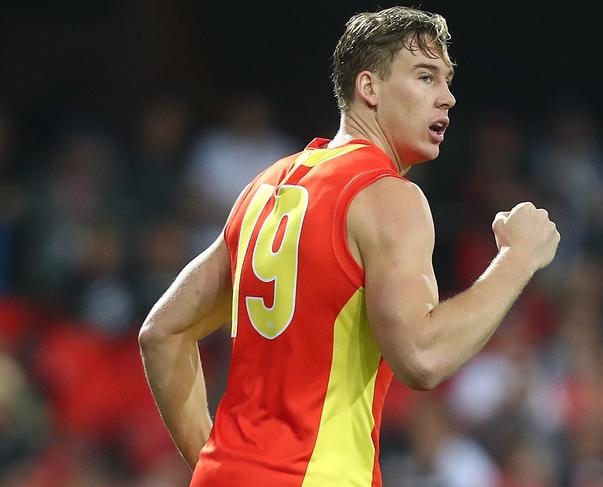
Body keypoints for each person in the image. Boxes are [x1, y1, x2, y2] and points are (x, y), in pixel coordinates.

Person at [138, 6, 560, 487]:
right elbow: (422, 358)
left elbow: (162, 332)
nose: (447, 98)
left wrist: (220, 466)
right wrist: (517, 259)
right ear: (369, 88)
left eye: (447, 80)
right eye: (426, 77)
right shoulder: (386, 195)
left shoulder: (266, 187)